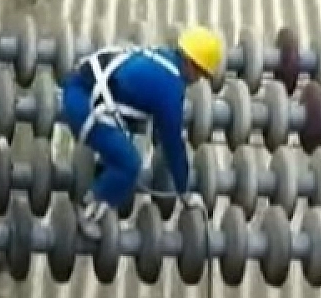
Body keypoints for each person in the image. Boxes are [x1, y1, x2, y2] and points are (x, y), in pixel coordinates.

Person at [59, 26, 223, 239]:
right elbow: (174, 145)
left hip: (81, 86)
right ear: (192, 65)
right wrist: (184, 192)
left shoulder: (163, 57)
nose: (199, 79)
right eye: (201, 73)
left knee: (135, 131)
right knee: (130, 165)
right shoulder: (170, 90)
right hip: (83, 106)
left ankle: (107, 164)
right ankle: (87, 210)